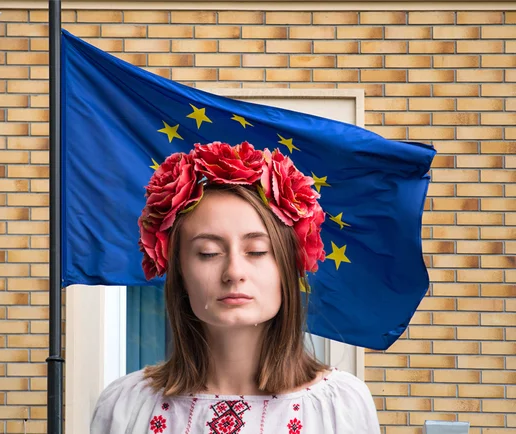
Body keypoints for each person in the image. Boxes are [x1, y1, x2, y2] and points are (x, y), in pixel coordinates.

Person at [91, 142, 380, 433]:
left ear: (288, 265)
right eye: (208, 253)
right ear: (179, 270)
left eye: (256, 251)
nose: (234, 272)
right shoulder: (126, 407)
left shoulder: (340, 406)